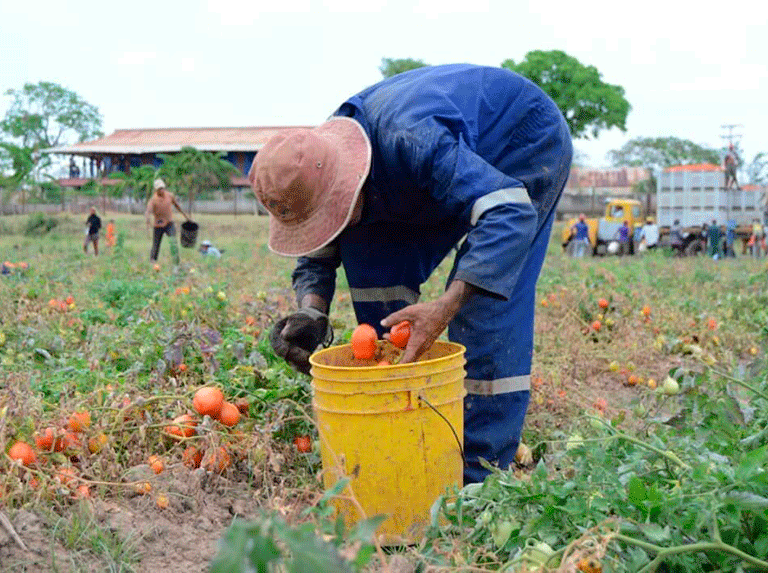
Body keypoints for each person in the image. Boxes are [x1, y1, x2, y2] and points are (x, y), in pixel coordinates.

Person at [251, 64, 573, 484]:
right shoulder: (313, 160)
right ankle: (403, 422)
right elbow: (320, 242)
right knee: (378, 299)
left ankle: (480, 472)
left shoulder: (413, 137)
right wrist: (312, 311)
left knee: (483, 301)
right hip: (415, 178)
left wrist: (447, 304)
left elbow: (507, 211)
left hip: (519, 142)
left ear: (353, 180)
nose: (331, 223)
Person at [144, 178, 189, 266]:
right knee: (156, 245)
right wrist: (147, 220)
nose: (161, 190)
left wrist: (185, 216)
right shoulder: (153, 200)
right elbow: (148, 211)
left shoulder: (170, 196)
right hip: (158, 225)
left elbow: (177, 205)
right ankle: (152, 262)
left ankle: (176, 262)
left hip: (169, 224)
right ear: (156, 190)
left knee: (173, 242)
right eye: (159, 189)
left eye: (162, 188)